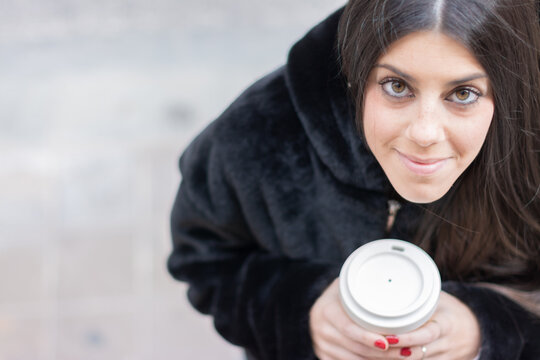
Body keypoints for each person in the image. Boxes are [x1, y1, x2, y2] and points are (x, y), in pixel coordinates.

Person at [168, 0, 540, 359]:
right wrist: (299, 313)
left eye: (463, 93)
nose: (425, 133)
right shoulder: (256, 135)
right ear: (356, 71)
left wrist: (491, 330)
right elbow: (202, 260)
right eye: (397, 86)